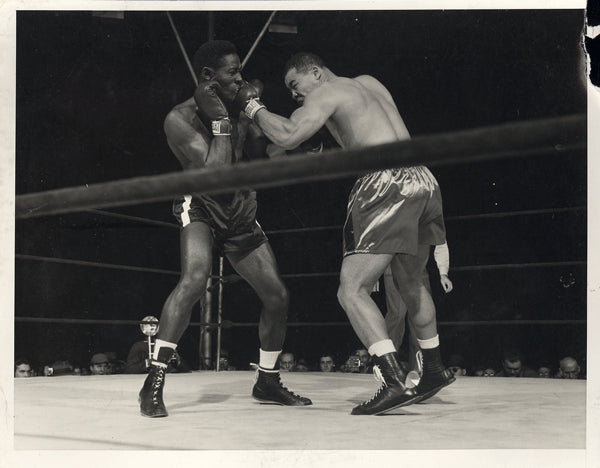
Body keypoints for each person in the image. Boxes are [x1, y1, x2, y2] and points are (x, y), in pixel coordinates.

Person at [238, 52, 454, 414]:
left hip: (385, 183)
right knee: (411, 281)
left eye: (295, 85)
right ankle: (432, 369)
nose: (294, 96)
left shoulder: (325, 92)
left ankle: (393, 379)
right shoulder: (368, 81)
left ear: (317, 73)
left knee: (351, 290)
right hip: (422, 180)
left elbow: (288, 135)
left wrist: (252, 106)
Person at [138, 40, 312, 418]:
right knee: (195, 280)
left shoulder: (240, 108)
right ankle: (153, 380)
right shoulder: (178, 119)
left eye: (239, 71)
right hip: (200, 203)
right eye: (232, 72)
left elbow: (264, 151)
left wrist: (298, 148)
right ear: (208, 78)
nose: (240, 79)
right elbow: (213, 174)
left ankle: (267, 380)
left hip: (239, 208)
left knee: (277, 296)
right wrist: (220, 121)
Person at [384, 241, 453, 384]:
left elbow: (440, 241)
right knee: (397, 314)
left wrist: (443, 273)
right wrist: (371, 274)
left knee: (419, 316)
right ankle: (388, 364)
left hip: (418, 271)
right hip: (392, 268)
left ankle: (417, 367)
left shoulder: (427, 219)